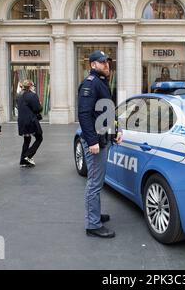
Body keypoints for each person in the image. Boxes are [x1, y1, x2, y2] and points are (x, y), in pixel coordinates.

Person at [78, 50, 123, 238]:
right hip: (96, 141)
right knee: (94, 183)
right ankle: (93, 225)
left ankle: (95, 215)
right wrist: (92, 141)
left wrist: (117, 130)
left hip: (104, 138)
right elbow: (84, 114)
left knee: (98, 181)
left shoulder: (102, 83)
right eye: (103, 62)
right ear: (93, 65)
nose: (107, 65)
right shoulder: (90, 84)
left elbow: (107, 111)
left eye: (108, 62)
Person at [17, 79, 43, 167]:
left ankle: (23, 161)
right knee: (39, 138)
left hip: (22, 121)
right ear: (30, 86)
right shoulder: (32, 95)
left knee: (26, 140)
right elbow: (37, 109)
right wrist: (40, 104)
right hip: (30, 121)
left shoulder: (19, 96)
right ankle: (27, 156)